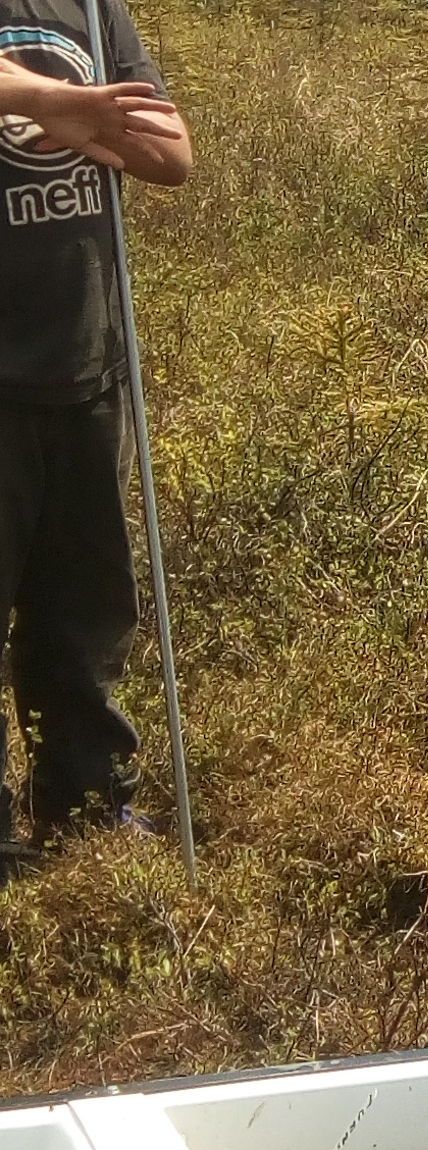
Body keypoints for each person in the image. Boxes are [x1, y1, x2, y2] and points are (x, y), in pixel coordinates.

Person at [0, 0, 189, 861]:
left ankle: (84, 806)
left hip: (87, 359)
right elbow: (101, 119)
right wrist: (66, 107)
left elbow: (170, 153)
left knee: (85, 609)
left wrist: (54, 110)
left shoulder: (86, 6)